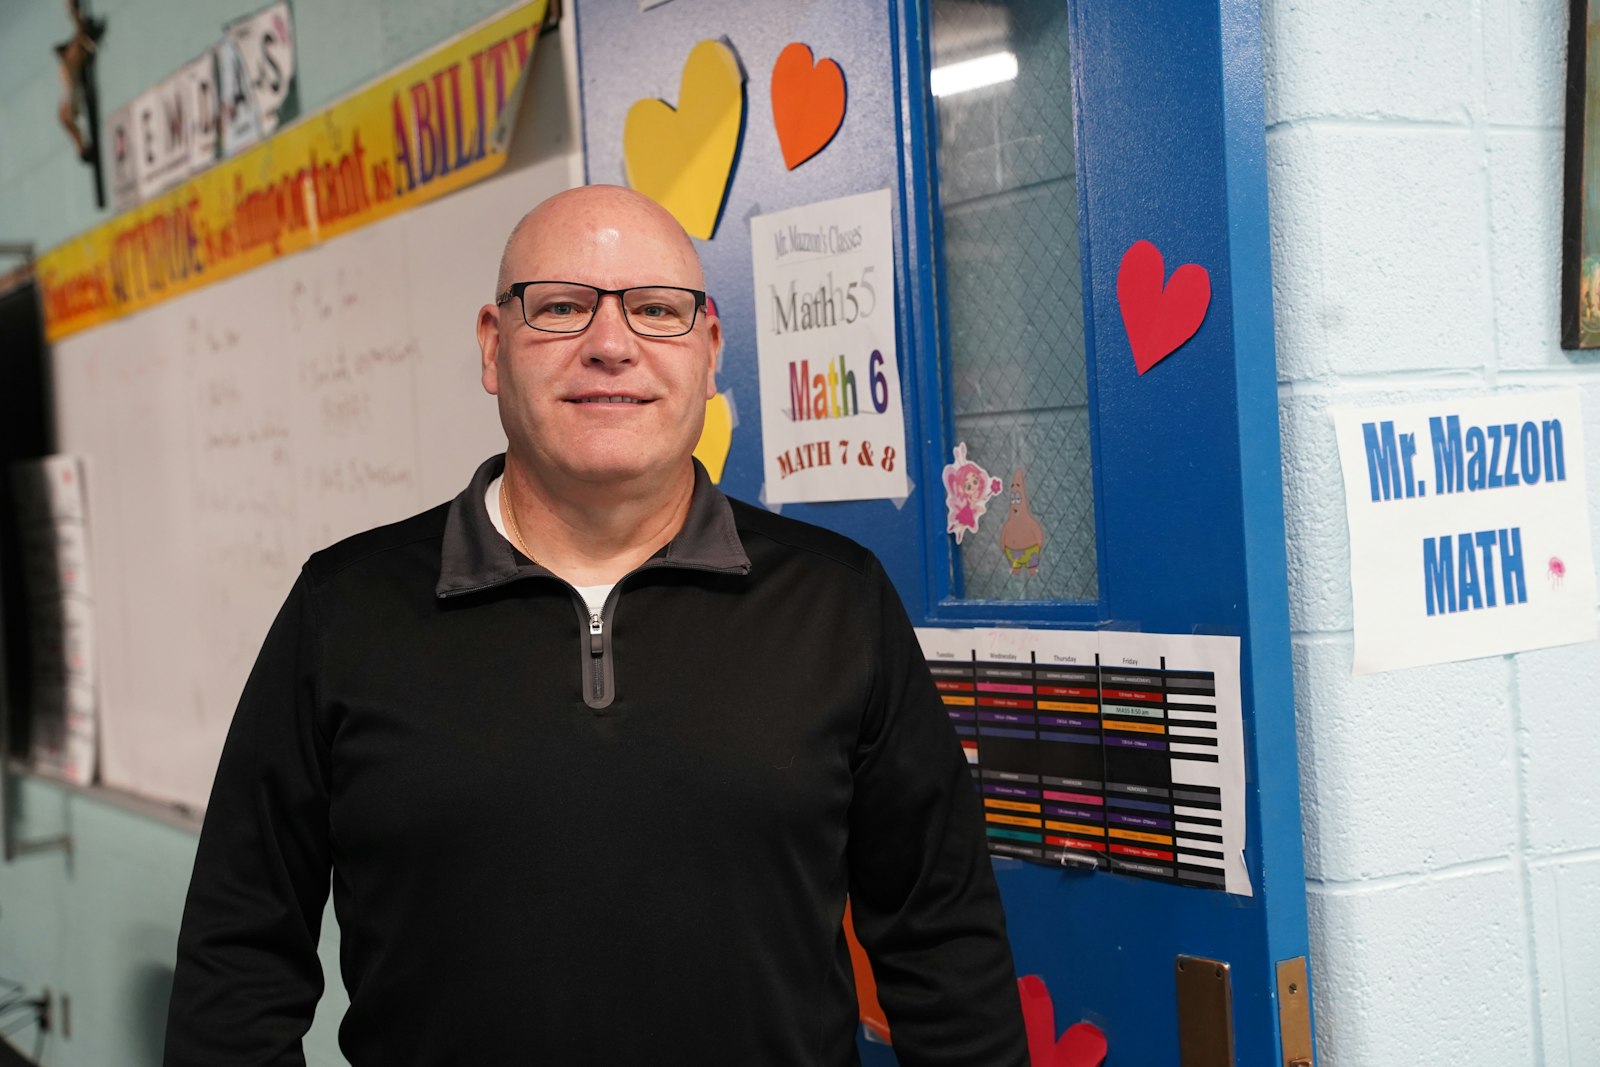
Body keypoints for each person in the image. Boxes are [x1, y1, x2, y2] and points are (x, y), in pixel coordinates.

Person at [164, 184, 1028, 1065]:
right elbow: (237, 959)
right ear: (493, 348)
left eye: (657, 310)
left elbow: (944, 941)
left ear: (709, 348)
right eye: (563, 307)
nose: (610, 346)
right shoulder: (344, 609)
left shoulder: (836, 600)